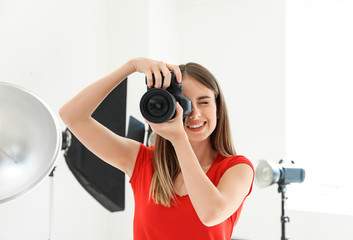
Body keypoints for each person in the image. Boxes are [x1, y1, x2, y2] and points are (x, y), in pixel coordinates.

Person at [59, 57, 254, 240]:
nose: (195, 113)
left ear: (218, 109)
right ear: (168, 107)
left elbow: (211, 213)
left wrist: (178, 139)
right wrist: (132, 66)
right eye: (183, 103)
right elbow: (72, 116)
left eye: (204, 102)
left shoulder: (237, 168)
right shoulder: (142, 161)